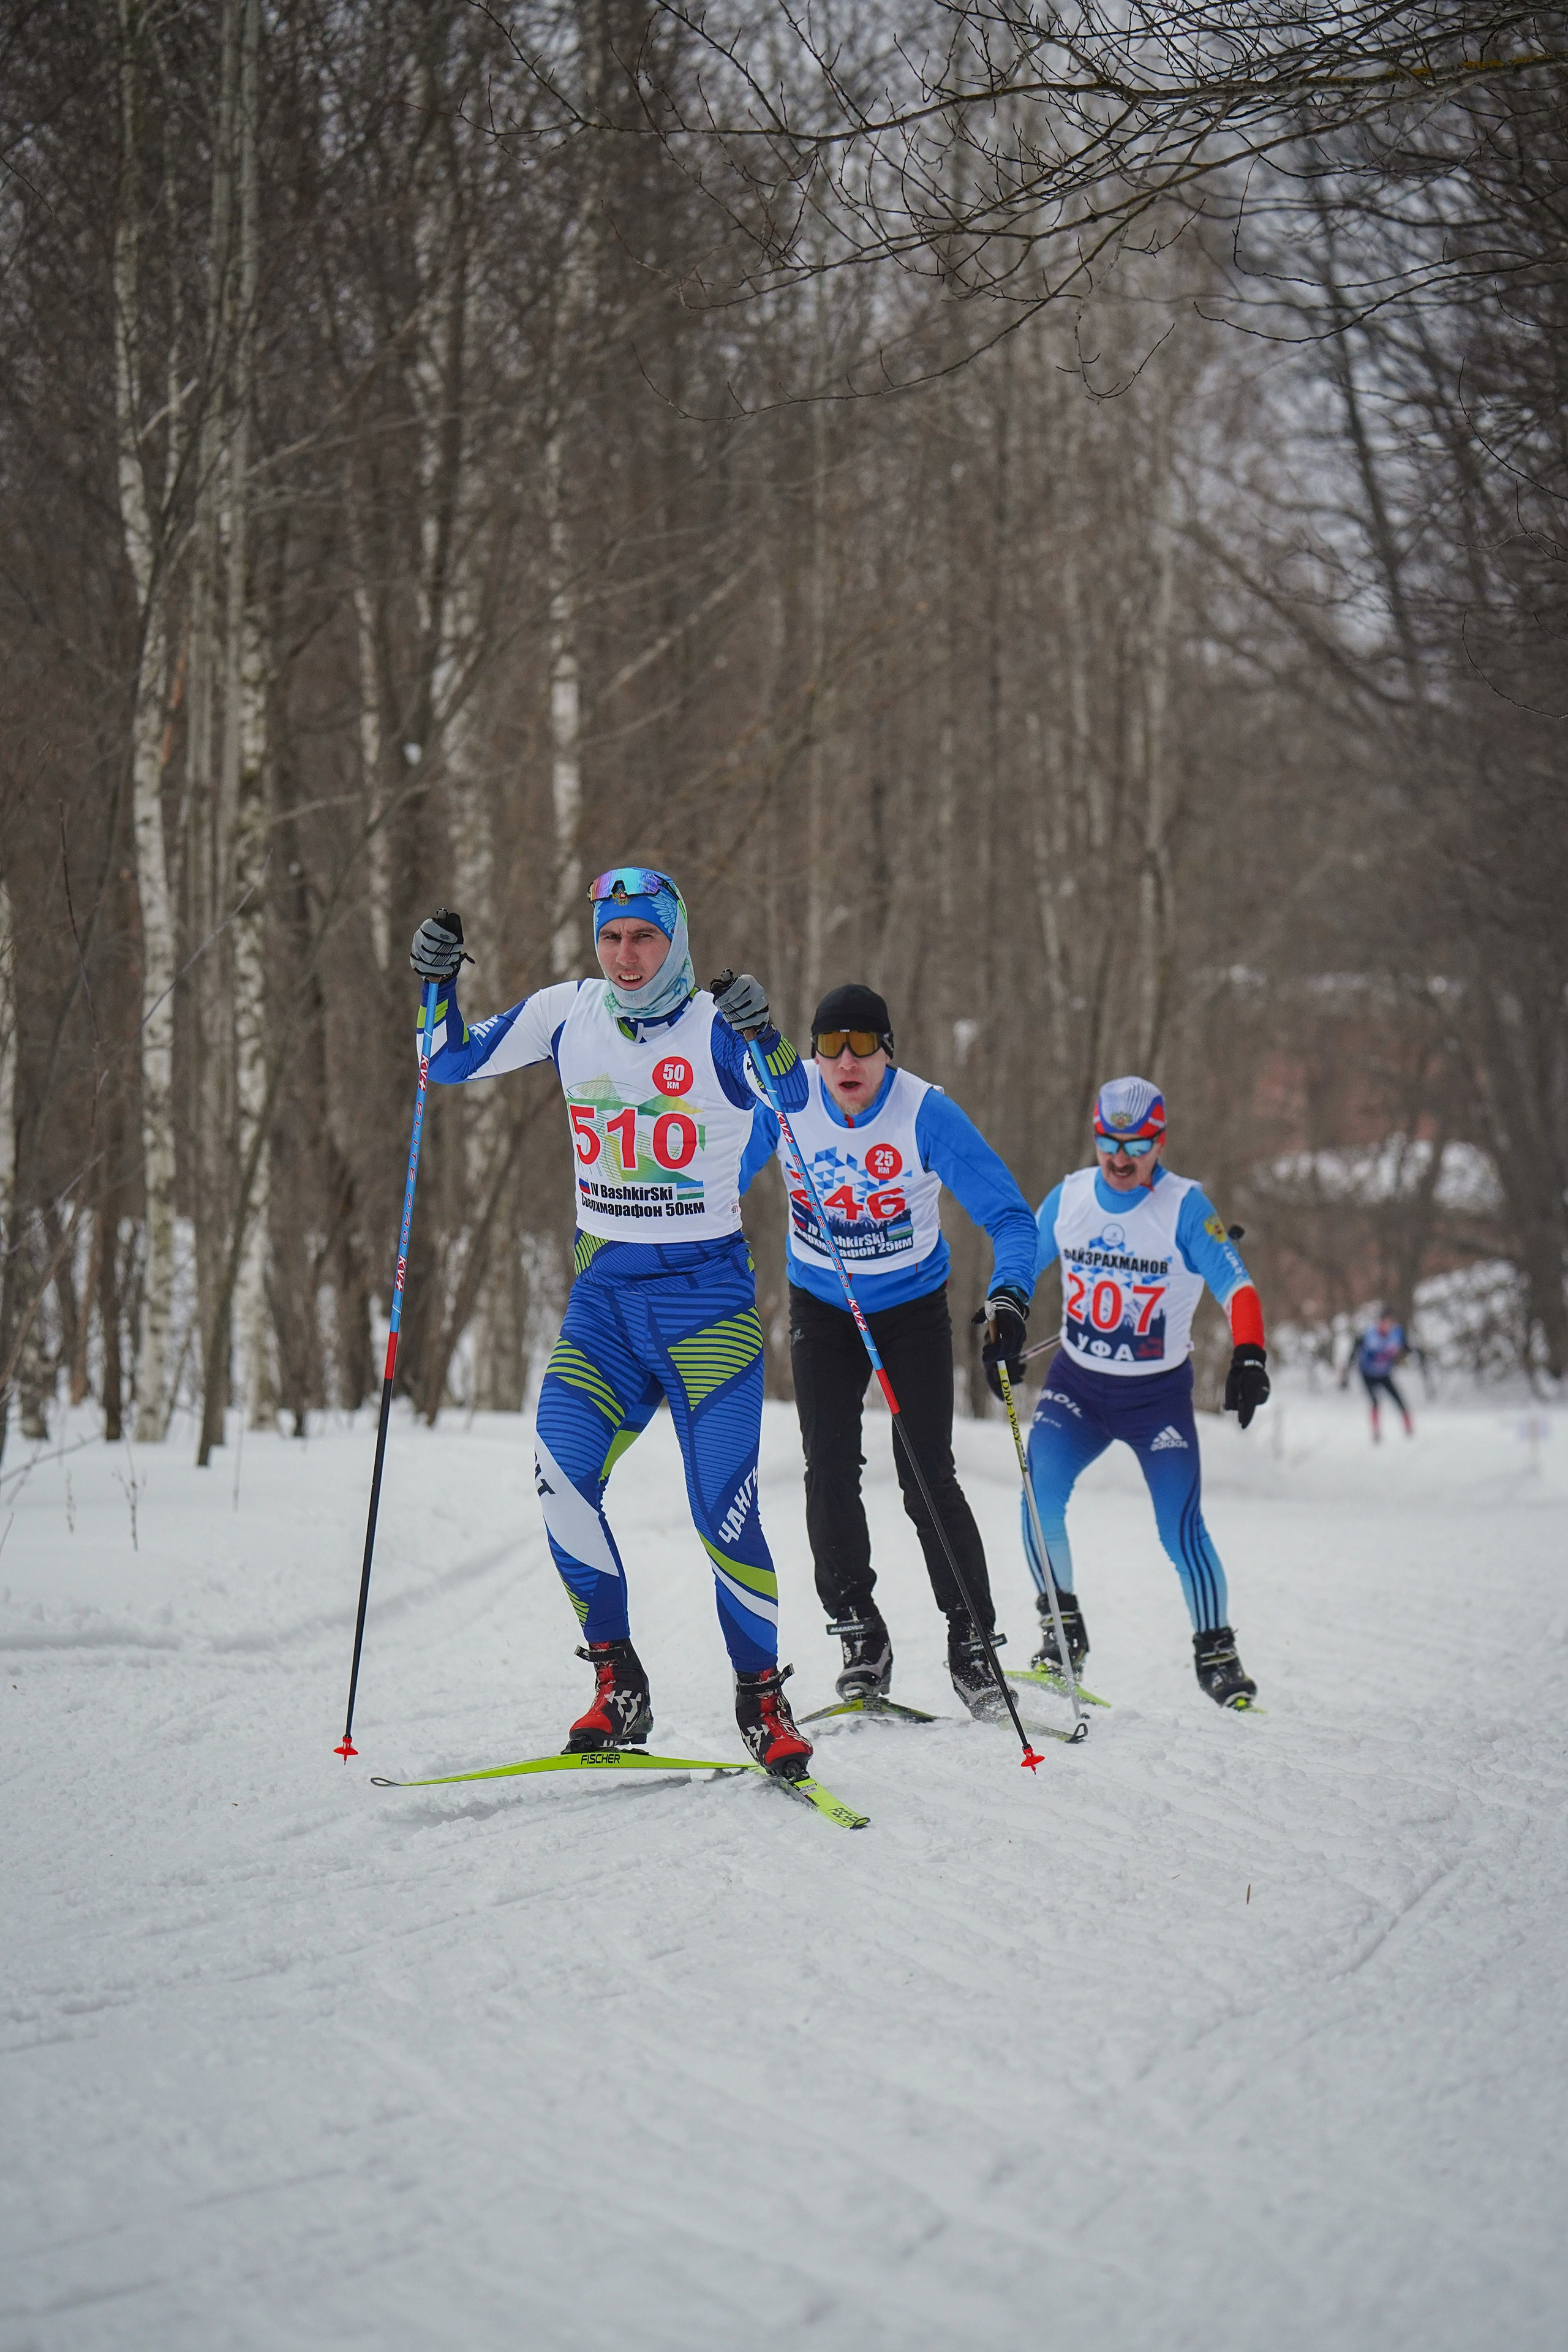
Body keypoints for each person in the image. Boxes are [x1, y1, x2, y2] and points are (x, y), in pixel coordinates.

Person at [408, 869, 816, 1777]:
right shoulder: (570, 1012)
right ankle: (616, 1684)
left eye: (644, 937)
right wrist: (437, 986)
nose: (627, 957)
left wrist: (766, 1034)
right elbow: (444, 1062)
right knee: (561, 1480)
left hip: (706, 1312)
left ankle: (761, 1698)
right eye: (612, 937)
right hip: (603, 1311)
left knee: (723, 1511)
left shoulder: (716, 1028)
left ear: (676, 939)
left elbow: (792, 1102)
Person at [741, 982, 1038, 1717]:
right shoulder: (786, 1098)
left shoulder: (924, 1112)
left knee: (925, 1473)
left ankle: (971, 1640)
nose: (847, 1061)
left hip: (910, 1309)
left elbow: (1011, 1217)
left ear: (887, 1053)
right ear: (813, 1054)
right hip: (821, 1305)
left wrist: (1009, 1299)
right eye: (832, 1045)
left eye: (863, 1045)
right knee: (830, 1466)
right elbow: (717, 1180)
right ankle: (859, 1634)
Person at [1001, 1076, 1270, 1709]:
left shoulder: (1184, 1207)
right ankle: (1062, 1639)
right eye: (1109, 1144)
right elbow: (1019, 1260)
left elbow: (1239, 1289)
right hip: (1077, 1390)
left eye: (1137, 1146)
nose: (1121, 1160)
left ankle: (1217, 1654)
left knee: (1180, 1529)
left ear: (1160, 1142)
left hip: (1156, 1401)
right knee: (1037, 1501)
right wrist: (1001, 1321)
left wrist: (1250, 1356)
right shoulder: (1068, 1198)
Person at [1346, 1310, 1414, 1441]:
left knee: (1399, 1399)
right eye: (1384, 1322)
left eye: (1389, 1323)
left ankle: (1408, 1429)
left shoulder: (1397, 1334)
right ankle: (1376, 1432)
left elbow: (1406, 1348)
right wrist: (1347, 1372)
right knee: (1375, 1402)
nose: (1386, 1325)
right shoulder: (1369, 1334)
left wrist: (1407, 1353)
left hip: (1384, 1373)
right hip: (1368, 1373)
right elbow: (1355, 1349)